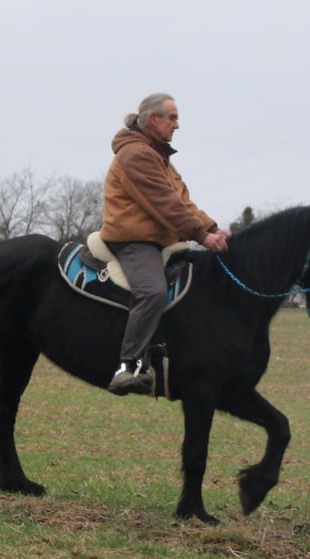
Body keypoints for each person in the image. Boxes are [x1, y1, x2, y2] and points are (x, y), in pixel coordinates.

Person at [100, 93, 231, 396]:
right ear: (153, 119)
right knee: (153, 291)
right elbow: (166, 204)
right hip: (134, 241)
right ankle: (128, 365)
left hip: (160, 241)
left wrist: (212, 228)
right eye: (172, 117)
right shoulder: (136, 154)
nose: (177, 125)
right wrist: (201, 237)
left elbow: (183, 203)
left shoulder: (161, 158)